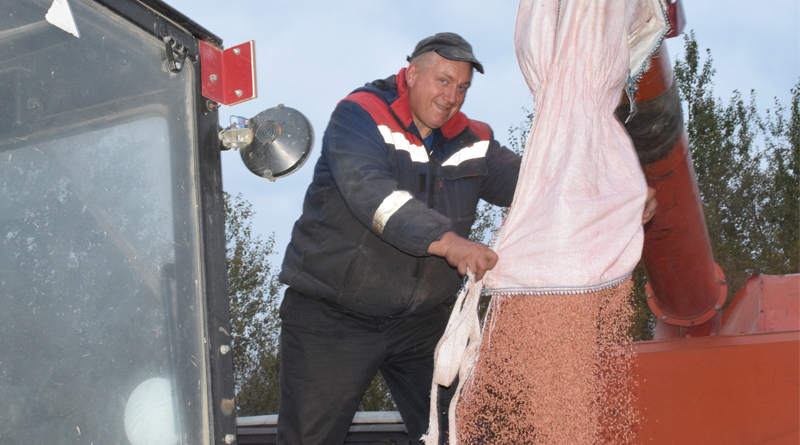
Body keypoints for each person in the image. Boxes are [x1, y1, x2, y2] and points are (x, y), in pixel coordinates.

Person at [276, 32, 521, 445]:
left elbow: (537, 184)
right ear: (410, 75)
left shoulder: (473, 139)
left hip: (424, 321)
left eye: (462, 87)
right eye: (443, 81)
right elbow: (372, 194)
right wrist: (448, 242)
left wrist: (609, 194)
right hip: (335, 315)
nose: (452, 96)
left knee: (473, 429)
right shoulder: (360, 116)